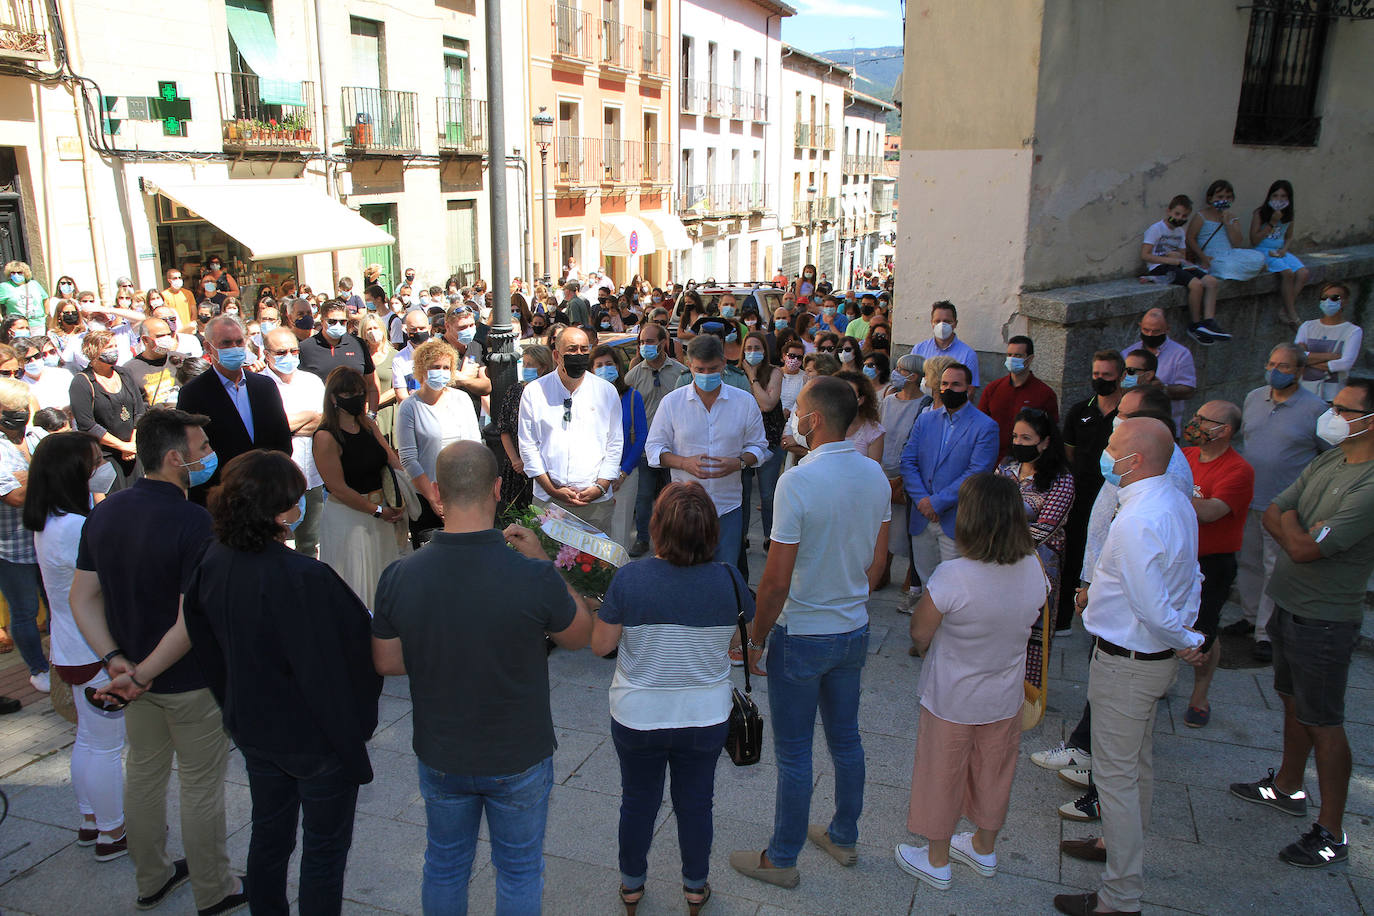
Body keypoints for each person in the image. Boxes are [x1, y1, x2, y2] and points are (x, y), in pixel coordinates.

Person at [372, 441, 592, 913]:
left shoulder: (399, 575)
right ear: (497, 489)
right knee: (518, 870)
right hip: (520, 752)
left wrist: (445, 651)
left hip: (441, 751)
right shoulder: (532, 576)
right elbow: (580, 635)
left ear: (436, 493)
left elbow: (387, 662)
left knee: (445, 864)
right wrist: (543, 564)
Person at [180, 448, 380, 915]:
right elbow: (351, 655)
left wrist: (231, 704)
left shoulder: (213, 559)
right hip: (314, 740)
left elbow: (204, 641)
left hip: (253, 726)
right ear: (277, 509)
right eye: (293, 500)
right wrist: (352, 731)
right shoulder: (304, 576)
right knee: (323, 852)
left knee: (269, 835)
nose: (299, 506)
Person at [70, 407, 245, 914]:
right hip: (185, 680)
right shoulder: (196, 522)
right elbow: (190, 620)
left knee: (144, 775)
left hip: (131, 676)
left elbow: (82, 598)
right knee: (200, 784)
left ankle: (152, 877)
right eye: (202, 448)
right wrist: (138, 671)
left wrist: (117, 662)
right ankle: (215, 888)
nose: (208, 455)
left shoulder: (106, 512)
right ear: (175, 458)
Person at [731, 376, 890, 888]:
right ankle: (843, 834)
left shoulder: (797, 480)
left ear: (814, 420)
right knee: (847, 739)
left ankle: (782, 857)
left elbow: (775, 580)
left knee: (795, 751)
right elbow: (877, 567)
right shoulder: (875, 476)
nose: (794, 417)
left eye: (799, 410)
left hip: (802, 633)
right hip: (853, 628)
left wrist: (756, 637)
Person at [1053, 418, 1206, 916]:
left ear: (1134, 460)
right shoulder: (1172, 500)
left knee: (1115, 779)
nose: (1105, 453)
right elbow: (1190, 575)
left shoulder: (1140, 518)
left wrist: (1186, 639)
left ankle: (1120, 897)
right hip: (1146, 659)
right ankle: (1115, 851)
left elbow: (1151, 604)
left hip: (1130, 662)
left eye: (1113, 447)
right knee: (1135, 768)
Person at [1228, 379, 1374, 869]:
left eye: (1344, 408)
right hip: (1289, 603)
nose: (1332, 413)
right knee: (1293, 703)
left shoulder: (1370, 483)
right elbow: (1274, 510)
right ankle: (1288, 786)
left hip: (1325, 618)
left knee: (1324, 720)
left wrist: (1293, 527)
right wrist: (1295, 526)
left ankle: (1331, 831)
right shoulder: (1331, 458)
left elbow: (1305, 547)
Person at [590, 482, 752, 914]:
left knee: (638, 801)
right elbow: (739, 639)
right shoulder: (730, 579)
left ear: (657, 527)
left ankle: (631, 886)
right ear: (711, 532)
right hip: (705, 716)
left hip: (637, 715)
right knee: (697, 803)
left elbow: (601, 645)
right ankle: (696, 887)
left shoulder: (631, 578)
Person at [897, 473, 1048, 890]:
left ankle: (936, 859)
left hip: (952, 698)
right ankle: (983, 847)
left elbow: (920, 633)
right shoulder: (1034, 568)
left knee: (941, 772)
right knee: (995, 772)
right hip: (1004, 696)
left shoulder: (953, 575)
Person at [25, 432, 126, 859]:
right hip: (94, 652)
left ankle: (91, 819)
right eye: (95, 459)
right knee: (107, 745)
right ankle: (112, 830)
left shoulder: (49, 522)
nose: (101, 464)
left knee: (88, 739)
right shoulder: (78, 526)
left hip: (70, 649)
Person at [1226, 344, 1329, 662]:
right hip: (1248, 498)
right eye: (1271, 363)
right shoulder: (1254, 397)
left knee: (1274, 567)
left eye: (1284, 366)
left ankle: (1266, 634)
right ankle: (1250, 616)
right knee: (1248, 561)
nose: (1275, 371)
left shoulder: (1317, 410)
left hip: (1283, 505)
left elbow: (1327, 454)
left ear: (1300, 371)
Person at [645, 334, 768, 568]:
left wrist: (738, 463)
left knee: (724, 572)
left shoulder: (744, 402)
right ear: (689, 366)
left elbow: (759, 447)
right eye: (700, 369)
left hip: (727, 508)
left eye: (712, 369)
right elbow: (654, 448)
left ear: (723, 364)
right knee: (683, 575)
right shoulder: (672, 403)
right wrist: (683, 463)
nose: (706, 375)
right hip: (683, 511)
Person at [1180, 401, 1252, 728]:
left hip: (1213, 562)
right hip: (1179, 557)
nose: (1194, 423)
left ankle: (1199, 695)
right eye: (1196, 416)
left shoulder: (1238, 470)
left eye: (1202, 419)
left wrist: (1167, 492)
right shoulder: (1186, 455)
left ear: (1224, 430)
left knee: (1204, 630)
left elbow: (1210, 511)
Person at [899, 362, 999, 584]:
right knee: (928, 585)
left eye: (956, 384)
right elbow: (908, 461)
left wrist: (937, 503)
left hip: (956, 520)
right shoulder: (925, 420)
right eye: (944, 384)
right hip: (922, 516)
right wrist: (923, 500)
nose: (948, 389)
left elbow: (977, 472)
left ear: (969, 389)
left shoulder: (985, 427)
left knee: (955, 587)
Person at [175, 315, 292, 503]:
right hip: (221, 498)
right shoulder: (193, 393)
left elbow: (282, 441)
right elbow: (193, 452)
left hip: (266, 493)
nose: (234, 348)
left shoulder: (264, 386)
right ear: (208, 347)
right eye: (226, 343)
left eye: (239, 342)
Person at [518, 326, 623, 533]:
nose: (579, 355)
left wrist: (600, 487)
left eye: (584, 350)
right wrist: (552, 489)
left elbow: (615, 443)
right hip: (549, 500)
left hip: (595, 503)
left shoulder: (606, 391)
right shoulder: (534, 392)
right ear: (557, 355)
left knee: (594, 564)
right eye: (572, 350)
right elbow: (528, 445)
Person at [1055, 350, 1126, 634]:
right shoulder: (1079, 410)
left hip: (1115, 497)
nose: (1100, 380)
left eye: (1107, 376)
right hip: (1082, 494)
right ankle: (1063, 619)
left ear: (1121, 376)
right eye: (1096, 375)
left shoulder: (1128, 415)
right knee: (1072, 554)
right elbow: (1069, 454)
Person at [395, 339, 481, 545]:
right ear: (422, 369)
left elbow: (475, 445)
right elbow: (408, 458)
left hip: (463, 493)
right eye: (435, 367)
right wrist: (433, 498)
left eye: (446, 367)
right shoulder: (410, 407)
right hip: (426, 497)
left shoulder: (462, 399)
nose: (441, 372)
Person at [995, 407, 1075, 620]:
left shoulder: (1061, 479)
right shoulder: (1006, 468)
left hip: (1037, 563)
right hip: (997, 560)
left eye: (1026, 437)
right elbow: (989, 507)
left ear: (1045, 442)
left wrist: (1000, 540)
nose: (1018, 443)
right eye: (1015, 436)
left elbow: (1045, 528)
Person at [0, 377, 51, 691]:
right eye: (10, 409)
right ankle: (38, 668)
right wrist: (47, 473)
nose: (19, 413)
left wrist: (29, 477)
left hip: (48, 539)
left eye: (22, 407)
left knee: (59, 603)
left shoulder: (38, 434)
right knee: (24, 611)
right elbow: (14, 497)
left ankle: (62, 660)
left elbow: (74, 470)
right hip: (11, 547)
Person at [261, 327, 327, 557]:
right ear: (266, 353)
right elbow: (269, 428)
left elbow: (323, 421)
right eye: (280, 352)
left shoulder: (312, 382)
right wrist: (305, 417)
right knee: (272, 541)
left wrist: (288, 426)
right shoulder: (258, 385)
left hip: (312, 475)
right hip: (276, 478)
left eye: (293, 350)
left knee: (309, 543)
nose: (288, 357)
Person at [625, 321, 688, 556]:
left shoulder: (681, 373)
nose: (645, 346)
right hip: (644, 449)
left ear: (664, 343)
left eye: (650, 341)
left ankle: (674, 540)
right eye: (641, 342)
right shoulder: (633, 376)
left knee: (675, 498)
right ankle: (642, 539)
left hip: (675, 449)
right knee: (643, 499)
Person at [1139, 194, 1226, 344]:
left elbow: (1183, 256)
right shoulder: (1156, 229)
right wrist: (1169, 258)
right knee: (1196, 285)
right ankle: (1195, 325)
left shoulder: (1180, 232)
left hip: (1177, 264)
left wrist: (1178, 257)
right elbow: (1145, 255)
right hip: (1159, 267)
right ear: (1169, 211)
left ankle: (1209, 321)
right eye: (1177, 214)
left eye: (1184, 216)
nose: (1179, 218)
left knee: (1211, 282)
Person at [878, 352, 927, 604]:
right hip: (883, 469)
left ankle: (912, 575)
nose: (896, 372)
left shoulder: (924, 404)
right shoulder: (887, 400)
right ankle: (881, 569)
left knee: (906, 527)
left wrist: (904, 477)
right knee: (883, 524)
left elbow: (917, 443)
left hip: (906, 474)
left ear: (914, 376)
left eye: (901, 369)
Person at [69, 331, 145, 491]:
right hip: (106, 457)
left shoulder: (124, 373)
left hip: (133, 451)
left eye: (115, 346)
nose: (114, 350)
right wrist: (121, 446)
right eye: (109, 347)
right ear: (94, 351)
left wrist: (132, 444)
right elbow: (87, 425)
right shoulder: (82, 382)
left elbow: (139, 410)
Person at [592, 345, 647, 547]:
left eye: (609, 364)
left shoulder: (633, 397)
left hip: (625, 475)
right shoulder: (584, 397)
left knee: (619, 532)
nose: (605, 368)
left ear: (618, 367)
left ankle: (619, 574)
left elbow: (641, 436)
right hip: (592, 476)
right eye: (599, 365)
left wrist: (623, 473)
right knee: (595, 533)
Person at [979, 335, 1059, 460]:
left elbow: (1051, 432)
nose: (1012, 359)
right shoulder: (993, 389)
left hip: (1027, 461)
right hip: (993, 458)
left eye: (1018, 356)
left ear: (1030, 359)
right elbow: (980, 424)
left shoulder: (1045, 394)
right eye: (1009, 355)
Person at [1122, 308, 1197, 434]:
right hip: (1131, 425)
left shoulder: (1181, 354)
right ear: (1140, 326)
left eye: (1156, 331)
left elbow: (1188, 390)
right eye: (1146, 330)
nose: (1150, 335)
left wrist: (1164, 388)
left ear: (1167, 329)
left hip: (1164, 427)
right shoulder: (1128, 353)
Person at [297, 301, 379, 412]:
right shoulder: (305, 348)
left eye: (342, 322)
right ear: (322, 321)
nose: (337, 325)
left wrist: (372, 414)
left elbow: (372, 385)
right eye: (332, 321)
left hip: (355, 418)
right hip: (321, 419)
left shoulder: (358, 344)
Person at [1249, 179, 1310, 328]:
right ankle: (1292, 314)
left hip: (1280, 251)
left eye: (1283, 196)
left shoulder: (1289, 215)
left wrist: (1284, 249)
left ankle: (1285, 309)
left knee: (1303, 273)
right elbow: (1254, 240)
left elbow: (1289, 236)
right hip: (1263, 250)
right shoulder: (1260, 213)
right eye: (1275, 196)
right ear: (1269, 197)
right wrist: (1272, 222)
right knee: (1288, 273)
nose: (1279, 200)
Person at [1185, 179, 1266, 283]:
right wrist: (1203, 257)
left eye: (1228, 197)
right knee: (1228, 266)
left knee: (1259, 257)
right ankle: (1233, 271)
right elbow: (1190, 238)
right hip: (1211, 255)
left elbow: (1237, 242)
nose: (1224, 200)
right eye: (1220, 197)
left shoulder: (1232, 217)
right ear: (1210, 199)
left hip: (1229, 253)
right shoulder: (1201, 216)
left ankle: (1237, 271)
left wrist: (1228, 223)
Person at [1295, 281, 1363, 403]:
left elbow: (1345, 363)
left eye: (1335, 297)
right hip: (1303, 392)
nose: (1328, 301)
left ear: (1345, 301)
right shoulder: (1307, 326)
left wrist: (1308, 360)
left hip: (1332, 396)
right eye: (1324, 297)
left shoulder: (1353, 331)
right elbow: (1296, 356)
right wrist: (1329, 357)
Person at [911, 301, 980, 388]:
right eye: (937, 321)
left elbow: (970, 389)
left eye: (947, 321)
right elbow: (911, 381)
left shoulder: (968, 354)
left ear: (955, 323)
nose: (942, 325)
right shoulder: (919, 349)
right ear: (932, 323)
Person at [123, 318, 183, 407]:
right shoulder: (130, 370)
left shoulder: (180, 359)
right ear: (146, 340)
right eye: (160, 336)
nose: (166, 339)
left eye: (168, 334)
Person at [835, 369, 885, 462]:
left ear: (860, 400)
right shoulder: (825, 425)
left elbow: (873, 472)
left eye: (848, 393)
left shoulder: (874, 432)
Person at [20, 335, 72, 410]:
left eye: (37, 356)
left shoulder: (65, 375)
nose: (33, 361)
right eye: (27, 359)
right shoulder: (21, 385)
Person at [0, 260, 48, 326]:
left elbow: (45, 299)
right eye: (13, 273)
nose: (16, 275)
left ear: (25, 273)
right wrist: (2, 320)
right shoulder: (5, 287)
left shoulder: (34, 284)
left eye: (19, 273)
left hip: (38, 323)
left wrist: (46, 315)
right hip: (17, 325)